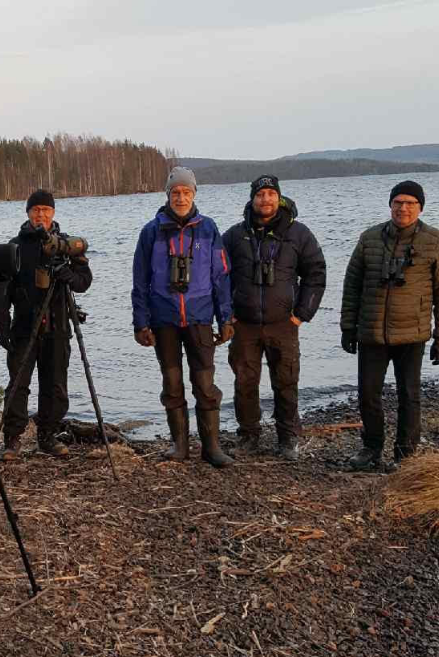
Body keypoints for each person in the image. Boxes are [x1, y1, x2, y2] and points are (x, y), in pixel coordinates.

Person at [131, 166, 234, 468]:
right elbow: (140, 281)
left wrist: (226, 318)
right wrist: (141, 322)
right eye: (175, 192)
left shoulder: (208, 229)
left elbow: (221, 276)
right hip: (164, 321)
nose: (180, 197)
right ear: (167, 195)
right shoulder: (151, 231)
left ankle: (212, 448)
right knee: (172, 384)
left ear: (194, 194)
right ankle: (179, 446)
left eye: (186, 192)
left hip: (200, 318)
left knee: (205, 384)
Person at [341, 180, 439, 470]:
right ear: (390, 205)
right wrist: (348, 327)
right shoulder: (369, 238)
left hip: (412, 332)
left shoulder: (435, 241)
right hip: (371, 330)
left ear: (420, 207)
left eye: (410, 203)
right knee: (368, 393)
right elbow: (352, 285)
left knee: (409, 395)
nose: (403, 208)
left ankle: (405, 454)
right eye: (398, 202)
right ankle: (371, 448)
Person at [222, 175, 326, 461]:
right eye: (260, 194)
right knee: (244, 382)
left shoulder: (299, 234)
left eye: (270, 194)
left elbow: (316, 274)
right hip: (244, 325)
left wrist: (301, 315)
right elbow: (217, 276)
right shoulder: (233, 235)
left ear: (278, 198)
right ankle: (248, 437)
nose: (265, 200)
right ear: (252, 199)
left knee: (286, 381)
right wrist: (226, 314)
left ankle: (288, 438)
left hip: (284, 323)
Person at [0, 190, 92, 460]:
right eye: (35, 210)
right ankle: (12, 439)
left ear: (53, 213)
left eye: (45, 210)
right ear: (27, 213)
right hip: (24, 327)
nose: (41, 215)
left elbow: (84, 282)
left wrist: (67, 274)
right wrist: (2, 326)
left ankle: (47, 436)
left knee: (55, 385)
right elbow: (2, 292)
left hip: (58, 326)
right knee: (18, 385)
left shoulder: (66, 245)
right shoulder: (15, 246)